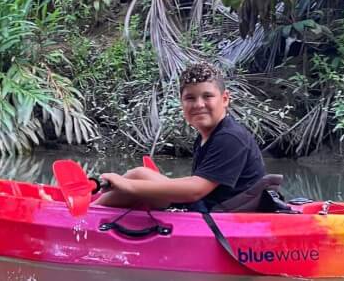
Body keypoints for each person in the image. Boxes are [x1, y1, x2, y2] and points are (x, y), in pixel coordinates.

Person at [93, 61, 265, 212]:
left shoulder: (230, 137)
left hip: (218, 214)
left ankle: (87, 217)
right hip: (208, 205)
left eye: (208, 96)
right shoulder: (206, 137)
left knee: (138, 176)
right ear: (182, 102)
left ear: (225, 99)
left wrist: (128, 185)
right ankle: (94, 210)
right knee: (140, 173)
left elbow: (195, 190)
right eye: (190, 98)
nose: (199, 104)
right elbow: (197, 182)